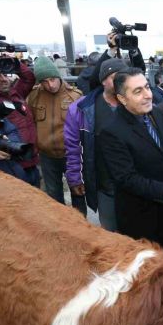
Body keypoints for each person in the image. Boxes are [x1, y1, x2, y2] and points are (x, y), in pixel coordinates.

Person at [99, 68, 163, 250]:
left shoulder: (154, 114)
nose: (148, 95)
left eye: (147, 87)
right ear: (122, 99)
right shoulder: (111, 131)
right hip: (140, 220)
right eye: (138, 91)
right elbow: (126, 178)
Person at [64, 58, 127, 230]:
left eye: (123, 76)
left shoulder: (136, 103)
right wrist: (75, 178)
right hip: (104, 185)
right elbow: (73, 147)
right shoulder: (81, 109)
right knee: (111, 232)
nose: (120, 81)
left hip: (134, 184)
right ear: (103, 80)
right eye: (115, 77)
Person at [0, 53, 39, 186]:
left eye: (5, 75)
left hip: (31, 159)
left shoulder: (16, 93)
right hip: (13, 162)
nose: (4, 79)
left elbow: (29, 78)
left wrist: (14, 61)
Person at [26, 55, 82, 204]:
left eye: (52, 79)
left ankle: (79, 223)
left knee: (78, 192)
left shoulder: (75, 96)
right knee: (53, 195)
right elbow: (29, 123)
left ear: (58, 76)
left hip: (71, 156)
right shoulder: (33, 97)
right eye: (44, 81)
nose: (50, 85)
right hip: (47, 156)